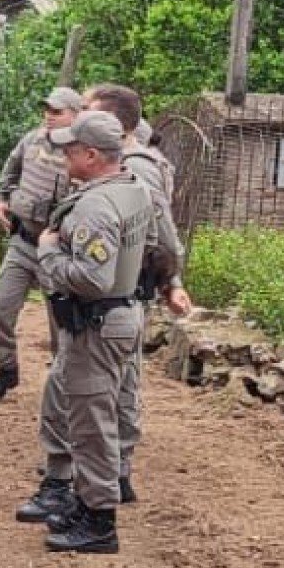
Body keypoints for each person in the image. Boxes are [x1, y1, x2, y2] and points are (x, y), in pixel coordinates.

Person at [15, 111, 153, 556]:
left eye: (70, 149)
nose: (63, 155)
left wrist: (49, 256)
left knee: (91, 422)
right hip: (117, 315)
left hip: (95, 321)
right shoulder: (133, 189)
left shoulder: (96, 205)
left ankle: (99, 522)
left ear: (92, 155)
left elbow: (92, 277)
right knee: (97, 413)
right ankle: (88, 502)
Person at [86, 83, 194, 504]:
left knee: (120, 382)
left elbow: (163, 236)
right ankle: (108, 468)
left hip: (126, 291)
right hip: (109, 289)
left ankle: (118, 471)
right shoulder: (116, 165)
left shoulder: (139, 168)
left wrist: (172, 282)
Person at [0, 88, 84, 402]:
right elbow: (8, 176)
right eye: (47, 111)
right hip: (24, 242)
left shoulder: (82, 152)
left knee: (60, 324)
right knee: (1, 308)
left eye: (57, 111)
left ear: (75, 115)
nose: (49, 116)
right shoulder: (32, 140)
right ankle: (5, 370)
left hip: (59, 251)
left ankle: (63, 382)